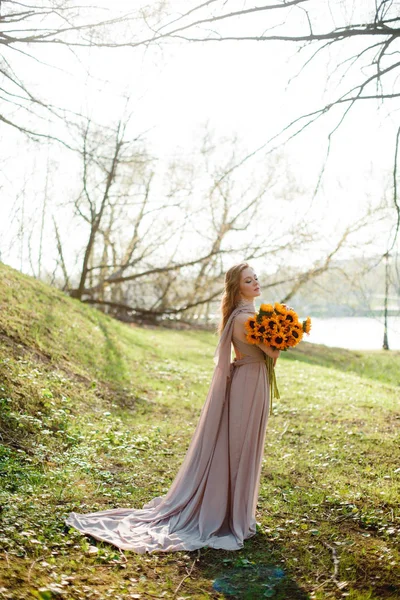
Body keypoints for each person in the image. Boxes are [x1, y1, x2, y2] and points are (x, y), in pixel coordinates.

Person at [65, 262, 280, 553]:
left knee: (244, 445)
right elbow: (273, 352)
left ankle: (238, 511)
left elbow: (267, 354)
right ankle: (230, 514)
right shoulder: (245, 319)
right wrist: (284, 334)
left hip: (253, 381)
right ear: (237, 288)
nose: (255, 283)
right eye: (248, 280)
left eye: (256, 278)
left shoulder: (249, 316)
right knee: (240, 447)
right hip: (249, 383)